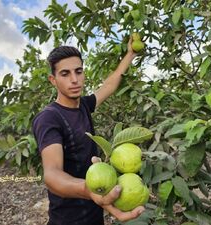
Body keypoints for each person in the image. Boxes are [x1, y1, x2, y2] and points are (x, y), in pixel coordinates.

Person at [32, 37, 145, 225]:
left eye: (78, 71)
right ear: (53, 80)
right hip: (67, 219)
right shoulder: (48, 118)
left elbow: (109, 85)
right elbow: (52, 174)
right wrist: (88, 190)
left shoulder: (84, 105)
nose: (74, 80)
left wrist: (130, 54)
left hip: (94, 213)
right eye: (65, 74)